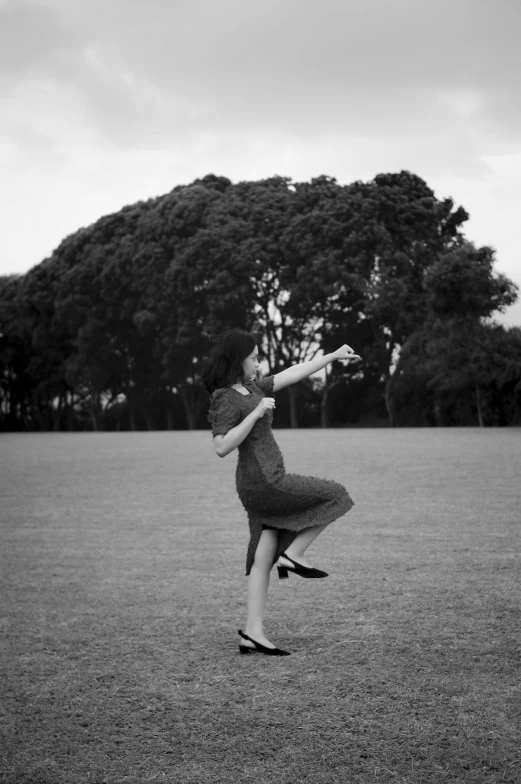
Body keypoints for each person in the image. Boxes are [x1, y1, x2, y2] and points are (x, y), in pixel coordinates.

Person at [201, 329, 360, 656]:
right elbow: (220, 446)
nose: (258, 361)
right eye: (254, 357)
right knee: (337, 495)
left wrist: (331, 356)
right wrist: (257, 413)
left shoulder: (252, 387)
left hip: (261, 480)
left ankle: (253, 633)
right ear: (238, 359)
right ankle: (295, 555)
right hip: (264, 480)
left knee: (263, 556)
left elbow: (292, 373)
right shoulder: (224, 397)